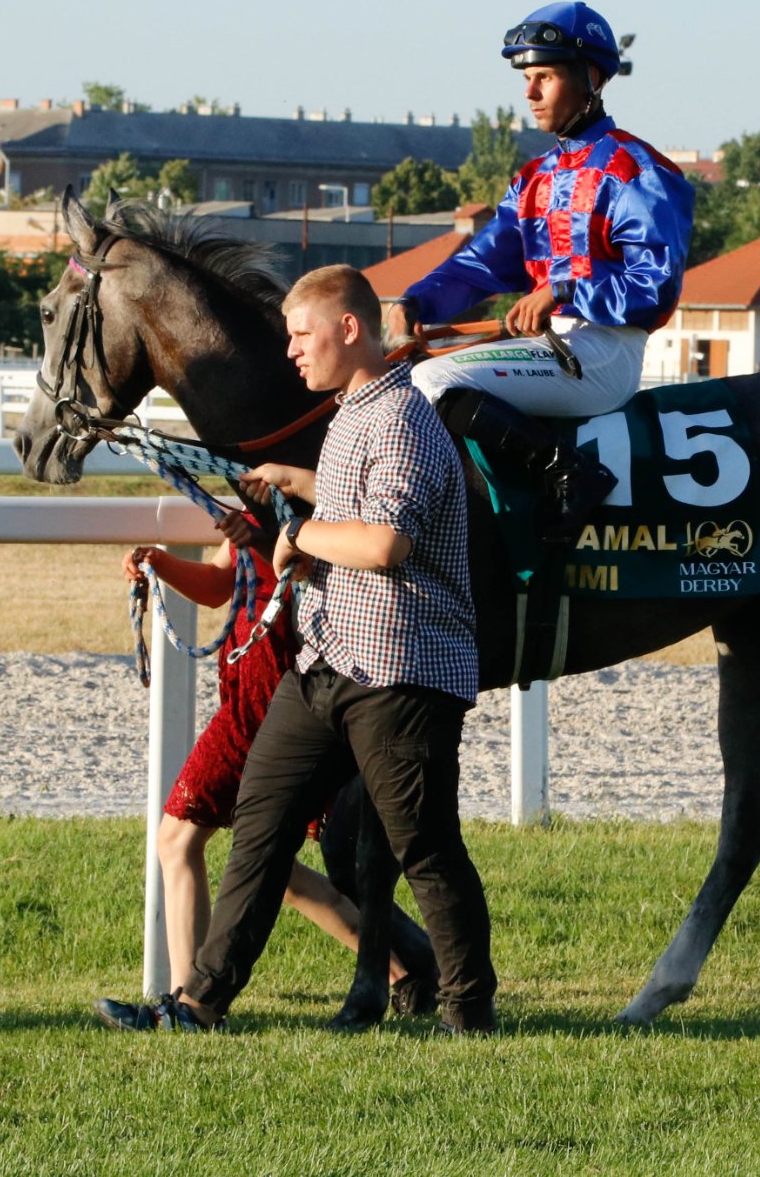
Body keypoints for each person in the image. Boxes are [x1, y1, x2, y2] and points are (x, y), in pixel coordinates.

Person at [160, 264, 494, 1035]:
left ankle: (470, 1013)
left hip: (401, 674)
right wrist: (299, 487)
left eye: (302, 334)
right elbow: (359, 524)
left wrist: (296, 535)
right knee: (260, 824)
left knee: (426, 848)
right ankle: (197, 1004)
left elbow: (384, 541)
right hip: (326, 664)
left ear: (351, 330)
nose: (290, 352)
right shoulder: (350, 414)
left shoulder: (403, 419)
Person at [91, 510, 437, 1031]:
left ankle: (187, 1006)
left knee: (178, 840)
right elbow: (218, 584)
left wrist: (260, 533)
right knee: (278, 869)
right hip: (253, 689)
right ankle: (405, 969)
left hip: (267, 697)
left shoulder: (304, 498)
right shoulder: (260, 492)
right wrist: (162, 564)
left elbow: (309, 564)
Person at [388, 0, 696, 543]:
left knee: (431, 379)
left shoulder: (637, 170)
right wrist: (417, 303)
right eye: (527, 79)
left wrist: (562, 290)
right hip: (554, 349)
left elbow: (655, 289)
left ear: (591, 79)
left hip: (603, 353)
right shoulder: (534, 178)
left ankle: (569, 475)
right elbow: (480, 264)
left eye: (545, 78)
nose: (529, 94)